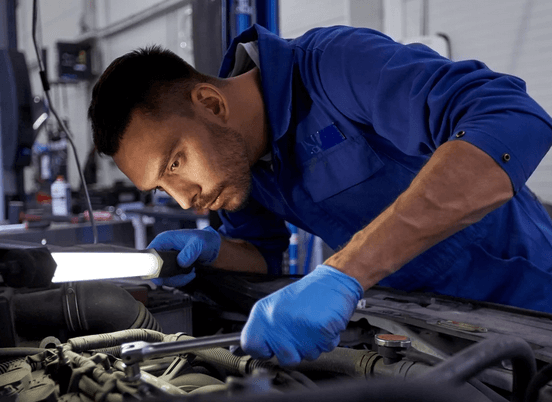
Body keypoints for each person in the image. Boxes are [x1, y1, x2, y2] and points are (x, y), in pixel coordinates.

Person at [88, 24, 552, 366]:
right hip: (423, 331)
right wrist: (211, 253)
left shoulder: (334, 65)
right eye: (162, 185)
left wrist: (344, 274)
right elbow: (263, 258)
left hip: (530, 304)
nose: (184, 200)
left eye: (174, 163)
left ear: (211, 104)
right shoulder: (238, 165)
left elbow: (513, 119)